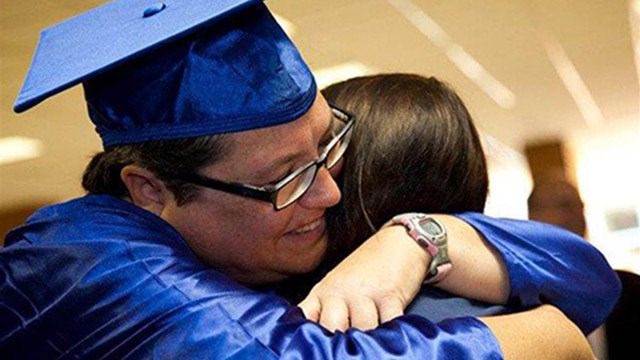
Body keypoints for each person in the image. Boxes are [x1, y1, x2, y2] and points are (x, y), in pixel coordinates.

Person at [0, 1, 616, 358]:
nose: (330, 191)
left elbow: (591, 278)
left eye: (327, 146)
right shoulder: (84, 265)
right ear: (151, 192)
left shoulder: (226, 240)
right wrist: (550, 336)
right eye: (284, 179)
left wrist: (420, 237)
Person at [289, 73, 617, 335]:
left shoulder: (369, 331)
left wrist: (412, 238)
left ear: (358, 178)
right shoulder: (516, 313)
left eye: (324, 155)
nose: (311, 182)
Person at [528, 177, 640, 360]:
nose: (576, 214)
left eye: (579, 206)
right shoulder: (520, 300)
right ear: (533, 216)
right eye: (564, 205)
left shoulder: (630, 289)